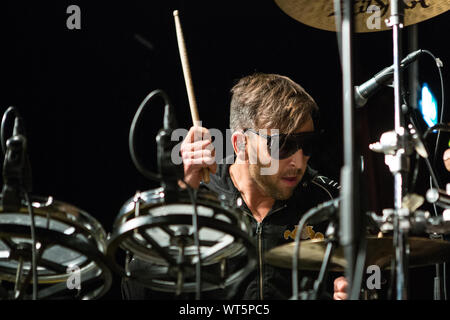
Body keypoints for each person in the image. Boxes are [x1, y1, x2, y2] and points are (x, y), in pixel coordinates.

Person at [122, 73, 348, 300]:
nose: (298, 162)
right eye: (282, 145)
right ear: (240, 144)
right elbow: (136, 291)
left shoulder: (328, 200)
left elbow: (375, 272)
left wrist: (353, 288)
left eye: (307, 144)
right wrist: (182, 197)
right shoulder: (199, 195)